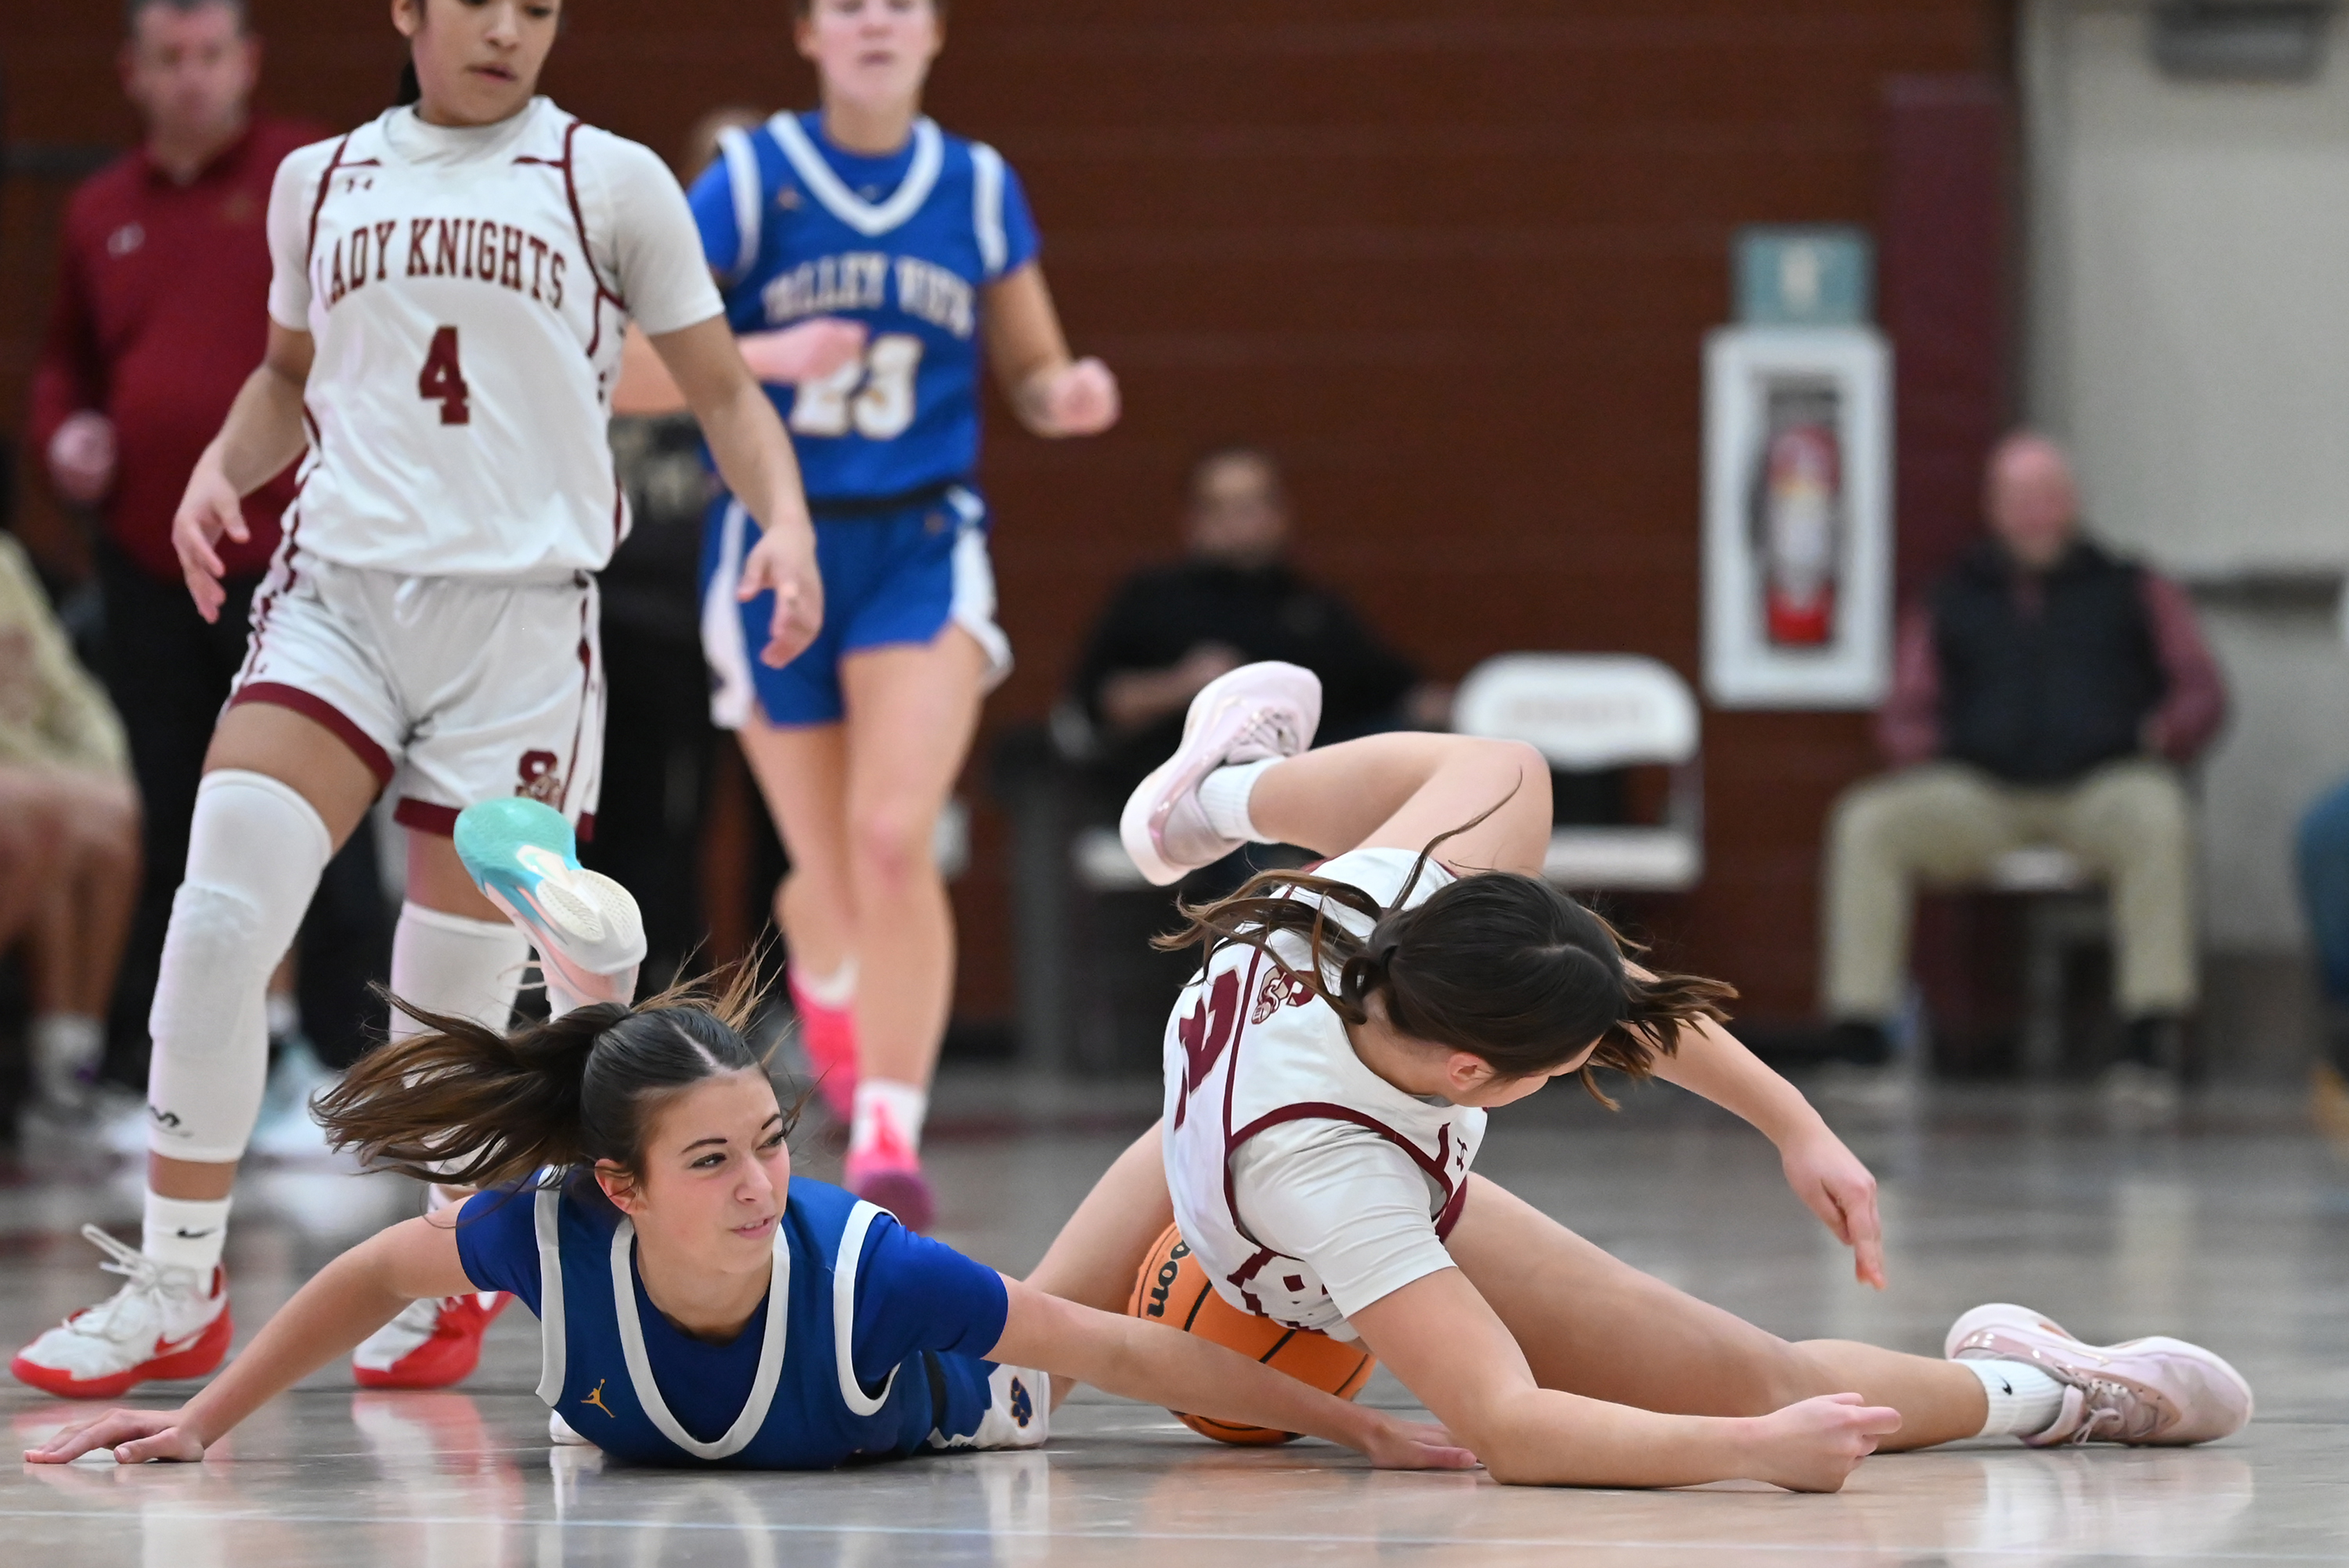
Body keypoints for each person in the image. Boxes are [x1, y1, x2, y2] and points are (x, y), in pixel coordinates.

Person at [9, 0, 824, 1403]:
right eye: (481, 3)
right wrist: (220, 466)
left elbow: (724, 392)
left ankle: (446, 1270)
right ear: (410, 10)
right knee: (219, 911)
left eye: (539, 8)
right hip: (338, 595)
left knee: (446, 1003)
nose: (510, 29)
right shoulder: (317, 178)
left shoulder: (609, 178)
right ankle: (174, 1281)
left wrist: (789, 526)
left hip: (520, 619)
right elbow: (286, 375)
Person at [1025, 661, 2252, 1489]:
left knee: (1509, 769)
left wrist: (1797, 1123)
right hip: (1266, 1222)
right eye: (1568, 1066)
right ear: (1473, 1070)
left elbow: (1607, 994)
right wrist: (1749, 1449)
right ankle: (2049, 1391)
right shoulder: (1347, 1180)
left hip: (1208, 1131)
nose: (1597, 1060)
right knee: (1773, 1388)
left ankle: (1213, 798)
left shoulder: (1385, 911)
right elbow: (1509, 1427)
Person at [22, 803, 1470, 1478]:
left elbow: (1124, 1351)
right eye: (717, 1159)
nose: (767, 1180)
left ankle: (1189, 1120)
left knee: (1108, 1246)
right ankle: (598, 986)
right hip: (620, 1290)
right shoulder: (554, 1226)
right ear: (618, 1187)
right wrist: (201, 1418)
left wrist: (1362, 1427)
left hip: (987, 1394)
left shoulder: (870, 1270)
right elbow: (366, 1275)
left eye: (772, 1140)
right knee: (585, 1144)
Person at [619, 0, 1120, 1231]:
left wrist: (1065, 393)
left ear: (936, 30)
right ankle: (830, 964)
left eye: (899, 3)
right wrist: (770, 357)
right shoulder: (752, 179)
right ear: (809, 34)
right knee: (829, 872)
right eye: (849, 4)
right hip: (775, 542)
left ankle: (890, 1124)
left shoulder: (979, 185)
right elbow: (621, 363)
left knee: (893, 835)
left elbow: (1031, 368)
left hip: (919, 542)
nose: (876, 22)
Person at [25, 0, 388, 1090]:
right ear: (133, 73)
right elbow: (66, 365)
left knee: (312, 805)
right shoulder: (100, 209)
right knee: (175, 807)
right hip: (149, 561)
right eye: (169, 58)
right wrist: (66, 434)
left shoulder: (304, 178)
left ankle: (337, 1060)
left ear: (247, 63)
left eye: (210, 55)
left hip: (295, 557)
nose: (191, 77)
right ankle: (170, 1063)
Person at [1819, 432, 2225, 1094]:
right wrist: (1931, 750)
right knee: (1868, 821)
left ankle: (2150, 1036)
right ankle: (1861, 1034)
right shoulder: (1950, 596)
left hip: (2100, 785)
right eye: (2019, 499)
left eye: (2048, 496)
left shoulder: (2133, 585)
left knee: (2160, 816)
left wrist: (2164, 732)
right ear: (1993, 508)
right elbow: (1903, 710)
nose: (2035, 513)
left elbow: (2201, 688)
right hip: (1982, 794)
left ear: (2073, 502)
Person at [1072, 445, 1445, 796]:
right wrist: (1183, 684)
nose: (1241, 522)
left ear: (1280, 514)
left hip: (1302, 794)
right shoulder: (1152, 599)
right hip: (1181, 794)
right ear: (1194, 520)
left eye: (1253, 505)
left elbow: (1398, 692)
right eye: (1222, 507)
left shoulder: (1314, 608)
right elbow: (1097, 705)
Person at [0, 532, 142, 1124]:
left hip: (29, 766)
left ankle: (67, 1069)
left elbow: (65, 686)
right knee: (41, 820)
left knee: (113, 815)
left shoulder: (5, 560)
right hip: (17, 770)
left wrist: (101, 765)